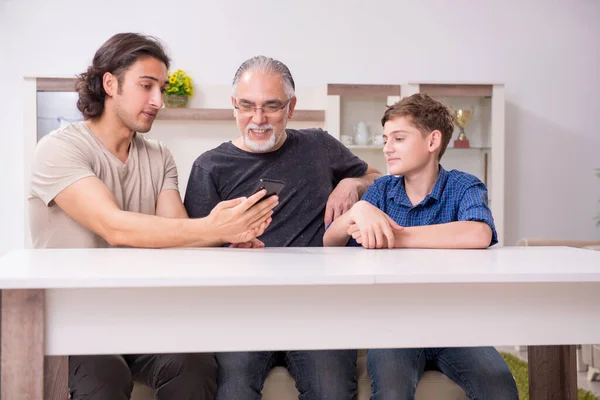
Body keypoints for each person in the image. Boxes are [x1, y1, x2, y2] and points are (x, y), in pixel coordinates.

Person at [28, 33, 275, 400]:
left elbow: (178, 235)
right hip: (72, 321)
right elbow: (114, 226)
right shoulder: (59, 149)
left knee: (195, 364)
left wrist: (228, 236)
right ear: (109, 83)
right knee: (104, 374)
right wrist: (211, 227)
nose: (158, 101)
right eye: (147, 86)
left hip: (139, 315)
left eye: (161, 87)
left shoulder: (159, 156)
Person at [184, 55, 381, 399]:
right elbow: (195, 250)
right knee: (233, 392)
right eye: (247, 106)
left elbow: (375, 177)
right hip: (242, 310)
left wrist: (353, 184)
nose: (257, 119)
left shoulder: (319, 145)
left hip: (316, 307)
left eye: (271, 107)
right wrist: (229, 251)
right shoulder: (209, 166)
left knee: (332, 392)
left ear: (291, 108)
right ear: (234, 105)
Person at [324, 93, 519, 400]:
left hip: (455, 327)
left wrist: (398, 237)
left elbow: (478, 233)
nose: (387, 148)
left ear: (432, 142)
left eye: (399, 138)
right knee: (391, 391)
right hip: (393, 326)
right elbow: (330, 241)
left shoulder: (464, 186)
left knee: (501, 388)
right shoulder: (381, 191)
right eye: (385, 138)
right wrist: (356, 211)